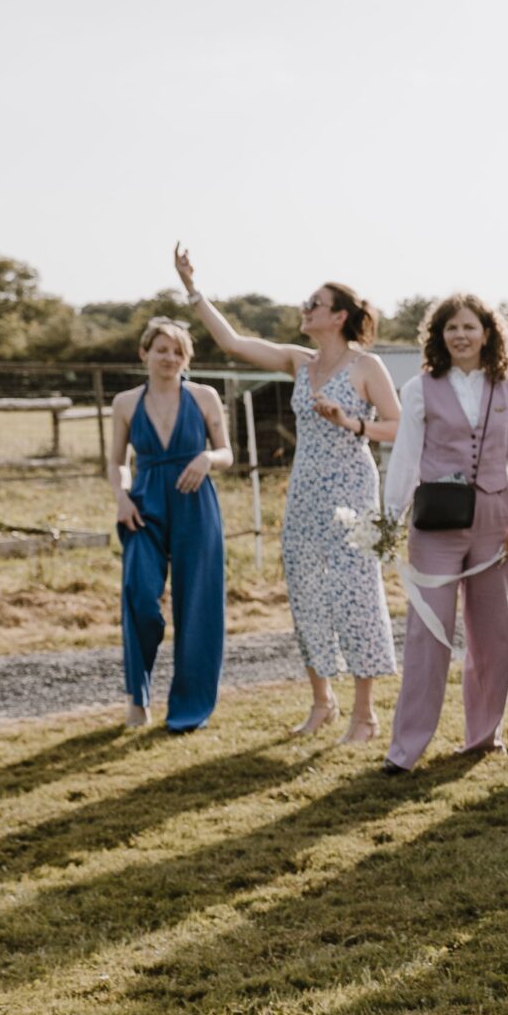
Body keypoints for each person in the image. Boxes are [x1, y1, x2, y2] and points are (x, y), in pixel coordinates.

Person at [175, 243, 400, 741]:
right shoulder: (298, 362)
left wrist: (351, 421)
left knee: (357, 594)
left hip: (354, 491)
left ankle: (365, 713)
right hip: (304, 492)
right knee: (306, 592)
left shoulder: (367, 367)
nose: (305, 309)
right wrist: (193, 289)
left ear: (339, 316)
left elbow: (399, 427)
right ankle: (323, 703)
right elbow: (232, 342)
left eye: (314, 304)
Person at [381, 293, 508, 773]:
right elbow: (406, 456)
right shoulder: (419, 388)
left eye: (470, 327)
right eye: (451, 328)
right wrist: (389, 521)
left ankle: (483, 736)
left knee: (494, 633)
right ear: (439, 336)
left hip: (495, 520)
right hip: (436, 523)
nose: (461, 336)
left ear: (488, 334)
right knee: (427, 633)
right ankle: (405, 750)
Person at [108, 317, 232, 732]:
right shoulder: (126, 402)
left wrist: (206, 459)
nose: (170, 358)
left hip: (195, 502)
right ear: (145, 353)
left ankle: (189, 707)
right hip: (143, 506)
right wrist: (121, 497)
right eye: (162, 349)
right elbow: (115, 462)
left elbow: (226, 452)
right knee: (139, 596)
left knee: (198, 604)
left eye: (178, 351)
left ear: (187, 358)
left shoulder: (204, 396)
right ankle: (137, 698)